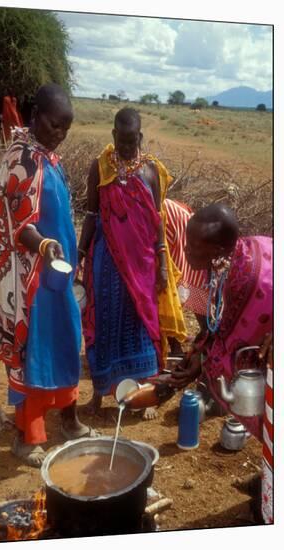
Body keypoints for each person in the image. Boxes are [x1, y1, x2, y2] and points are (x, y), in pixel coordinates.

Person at [0, 83, 96, 468]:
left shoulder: (50, 157)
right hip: (31, 280)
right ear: (34, 116)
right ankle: (27, 438)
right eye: (53, 124)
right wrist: (45, 246)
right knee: (35, 354)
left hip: (57, 277)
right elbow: (19, 225)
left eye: (66, 126)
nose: (60, 133)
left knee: (66, 343)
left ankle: (69, 420)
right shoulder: (22, 159)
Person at [166, 203, 272, 522]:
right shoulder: (225, 261)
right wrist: (198, 357)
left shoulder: (261, 279)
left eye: (191, 245)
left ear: (215, 247)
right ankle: (269, 475)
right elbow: (217, 321)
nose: (184, 248)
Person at [78, 107, 187, 414]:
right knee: (103, 324)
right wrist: (81, 254)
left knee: (142, 324)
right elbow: (91, 214)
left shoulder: (152, 172)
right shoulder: (99, 168)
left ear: (140, 137)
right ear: (113, 136)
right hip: (106, 262)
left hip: (143, 265)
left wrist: (164, 265)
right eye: (121, 141)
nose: (127, 148)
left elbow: (158, 222)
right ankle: (99, 394)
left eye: (132, 141)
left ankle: (145, 393)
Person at [165, 198, 209, 353]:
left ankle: (204, 340)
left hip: (178, 229)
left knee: (173, 288)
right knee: (179, 287)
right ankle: (201, 339)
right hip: (178, 228)